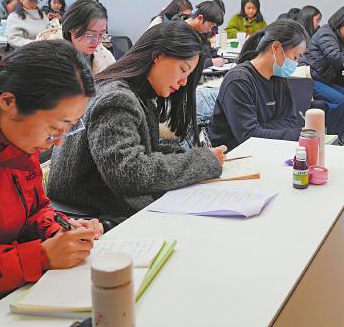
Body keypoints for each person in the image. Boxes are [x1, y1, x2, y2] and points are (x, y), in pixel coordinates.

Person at [0, 41, 103, 325]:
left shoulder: (16, 137)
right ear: (8, 102)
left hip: (11, 297)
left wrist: (57, 229)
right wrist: (37, 258)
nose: (57, 142)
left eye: (67, 129)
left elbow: (33, 210)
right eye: (54, 129)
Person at [47, 22, 224, 222]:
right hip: (91, 219)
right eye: (183, 70)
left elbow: (142, 152)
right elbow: (129, 172)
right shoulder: (117, 98)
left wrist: (193, 156)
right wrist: (201, 161)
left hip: (98, 209)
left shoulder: (132, 93)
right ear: (157, 56)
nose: (184, 82)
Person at [209, 19, 307, 151]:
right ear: (276, 47)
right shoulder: (238, 81)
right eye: (295, 57)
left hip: (266, 148)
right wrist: (299, 134)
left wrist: (261, 129)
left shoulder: (278, 77)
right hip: (233, 153)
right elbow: (248, 136)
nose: (296, 63)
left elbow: (290, 121)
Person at [300, 7, 344, 137]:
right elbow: (335, 56)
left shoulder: (335, 35)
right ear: (342, 22)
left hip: (319, 76)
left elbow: (339, 57)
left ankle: (338, 131)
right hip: (309, 77)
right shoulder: (326, 34)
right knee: (339, 100)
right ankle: (332, 137)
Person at [36, 0, 116, 75]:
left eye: (101, 34)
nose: (97, 41)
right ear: (71, 28)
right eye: (90, 35)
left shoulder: (104, 56)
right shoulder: (48, 55)